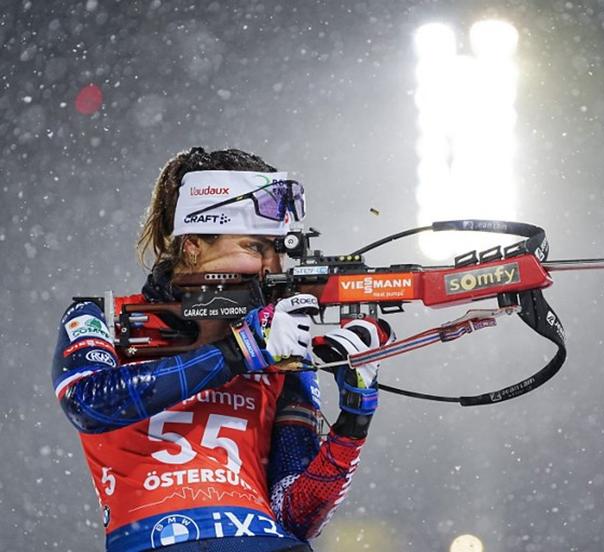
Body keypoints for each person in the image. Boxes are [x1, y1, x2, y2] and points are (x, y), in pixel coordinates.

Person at [51, 147, 391, 552]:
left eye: (279, 250)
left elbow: (295, 513)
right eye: (254, 246)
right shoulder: (104, 317)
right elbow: (89, 404)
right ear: (193, 244)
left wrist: (355, 415)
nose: (273, 266)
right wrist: (241, 349)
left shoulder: (283, 347)